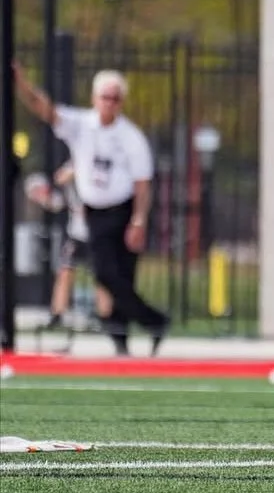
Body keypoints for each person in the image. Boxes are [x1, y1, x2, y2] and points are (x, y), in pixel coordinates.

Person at [13, 63, 170, 356]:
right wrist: (21, 83)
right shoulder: (81, 124)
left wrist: (138, 220)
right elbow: (44, 108)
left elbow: (142, 183)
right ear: (95, 98)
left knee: (121, 276)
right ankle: (154, 321)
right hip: (95, 213)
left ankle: (123, 338)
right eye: (105, 97)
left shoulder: (130, 136)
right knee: (105, 275)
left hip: (123, 211)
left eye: (115, 98)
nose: (109, 103)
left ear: (122, 102)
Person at [25, 161, 112, 331]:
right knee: (65, 270)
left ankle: (106, 317)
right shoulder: (75, 164)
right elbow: (60, 191)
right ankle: (57, 312)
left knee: (101, 276)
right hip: (77, 233)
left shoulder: (93, 165)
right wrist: (44, 197)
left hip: (96, 232)